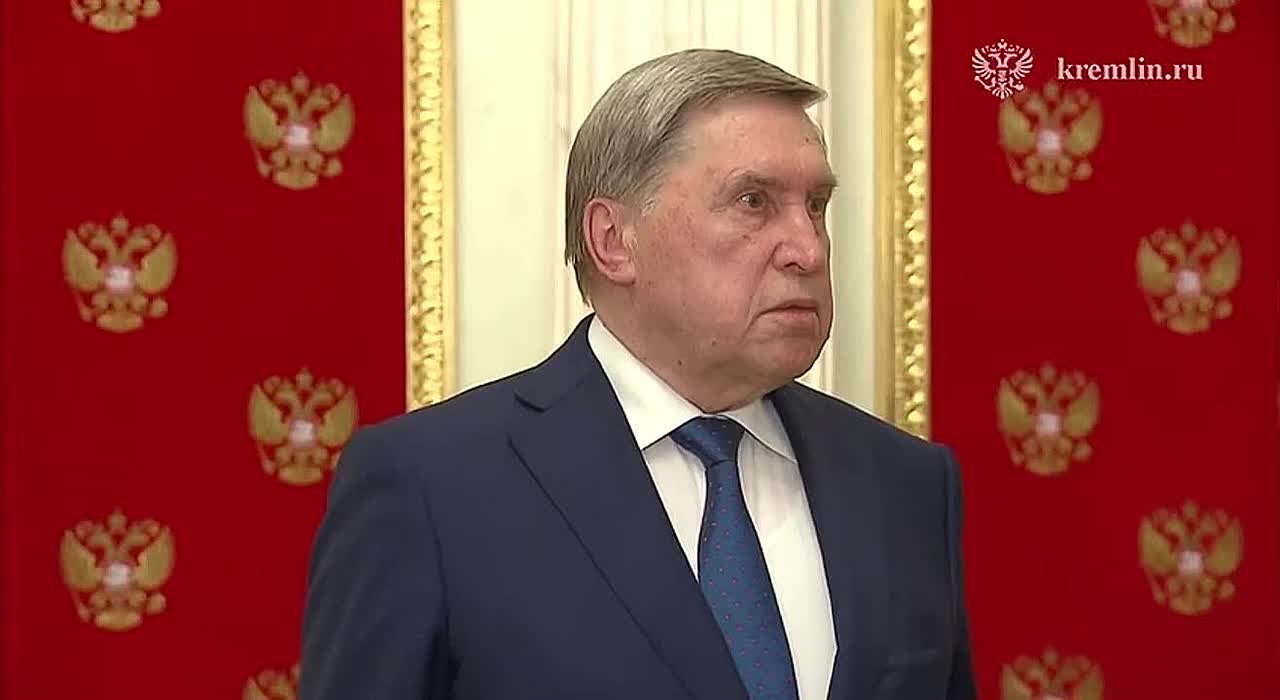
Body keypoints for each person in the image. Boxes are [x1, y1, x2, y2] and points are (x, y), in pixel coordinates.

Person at [299, 48, 977, 700]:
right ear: (613, 240)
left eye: (817, 206)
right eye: (753, 202)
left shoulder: (906, 484)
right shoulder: (432, 487)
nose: (808, 248)